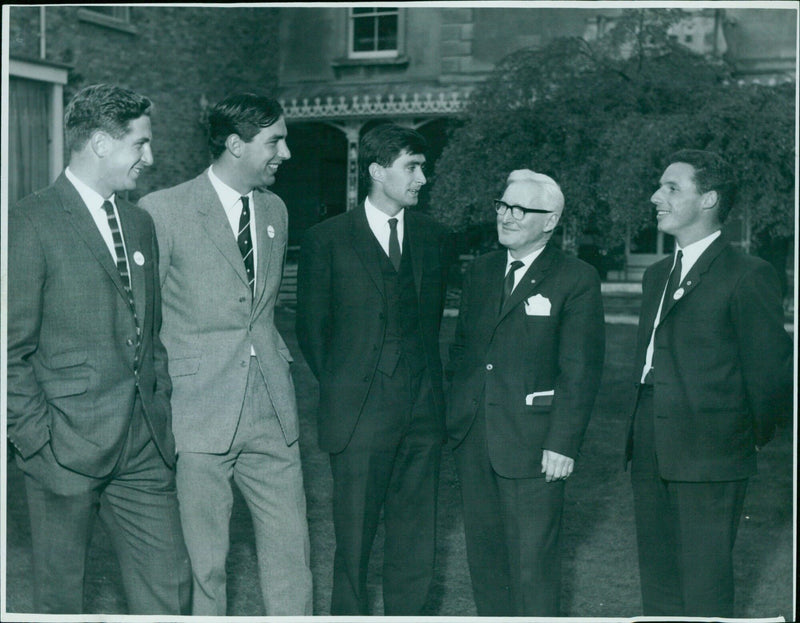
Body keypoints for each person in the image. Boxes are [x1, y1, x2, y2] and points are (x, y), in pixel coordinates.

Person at [7, 83, 191, 614]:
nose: (150, 158)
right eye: (141, 144)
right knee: (61, 600)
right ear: (103, 145)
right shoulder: (29, 220)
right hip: (63, 448)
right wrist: (37, 441)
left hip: (143, 447)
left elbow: (149, 331)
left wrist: (160, 409)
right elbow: (8, 348)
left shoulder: (138, 223)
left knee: (169, 589)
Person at [139, 93, 312, 616]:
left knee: (291, 556)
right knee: (205, 563)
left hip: (273, 410)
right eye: (275, 140)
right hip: (198, 412)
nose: (285, 152)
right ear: (235, 144)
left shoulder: (275, 208)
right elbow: (143, 322)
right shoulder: (162, 209)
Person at [625, 149, 793, 617]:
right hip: (650, 441)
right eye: (660, 187)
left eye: (672, 188)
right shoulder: (657, 274)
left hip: (711, 451)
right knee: (657, 584)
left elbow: (770, 374)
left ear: (709, 200)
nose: (656, 196)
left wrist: (741, 439)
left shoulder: (748, 274)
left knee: (703, 586)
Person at [296, 123, 450, 615]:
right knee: (354, 543)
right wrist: (349, 385)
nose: (423, 177)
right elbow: (311, 331)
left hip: (423, 411)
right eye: (413, 166)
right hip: (358, 415)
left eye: (422, 167)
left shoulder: (434, 238)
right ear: (378, 171)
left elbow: (432, 323)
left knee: (417, 538)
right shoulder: (328, 239)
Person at [447, 170, 605, 616]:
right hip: (474, 440)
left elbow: (581, 370)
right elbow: (463, 350)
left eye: (520, 210)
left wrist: (562, 442)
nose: (507, 217)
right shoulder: (480, 272)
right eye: (502, 206)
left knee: (533, 569)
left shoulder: (576, 278)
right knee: (486, 564)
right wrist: (458, 418)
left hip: (535, 448)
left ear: (550, 220)